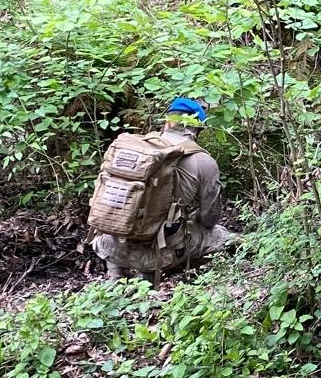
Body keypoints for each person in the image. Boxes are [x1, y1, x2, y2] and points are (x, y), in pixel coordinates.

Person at [91, 97, 235, 279]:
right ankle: (152, 273)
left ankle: (116, 276)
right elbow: (209, 218)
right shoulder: (203, 161)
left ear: (167, 122)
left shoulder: (133, 149)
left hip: (106, 246)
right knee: (220, 236)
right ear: (198, 128)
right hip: (158, 254)